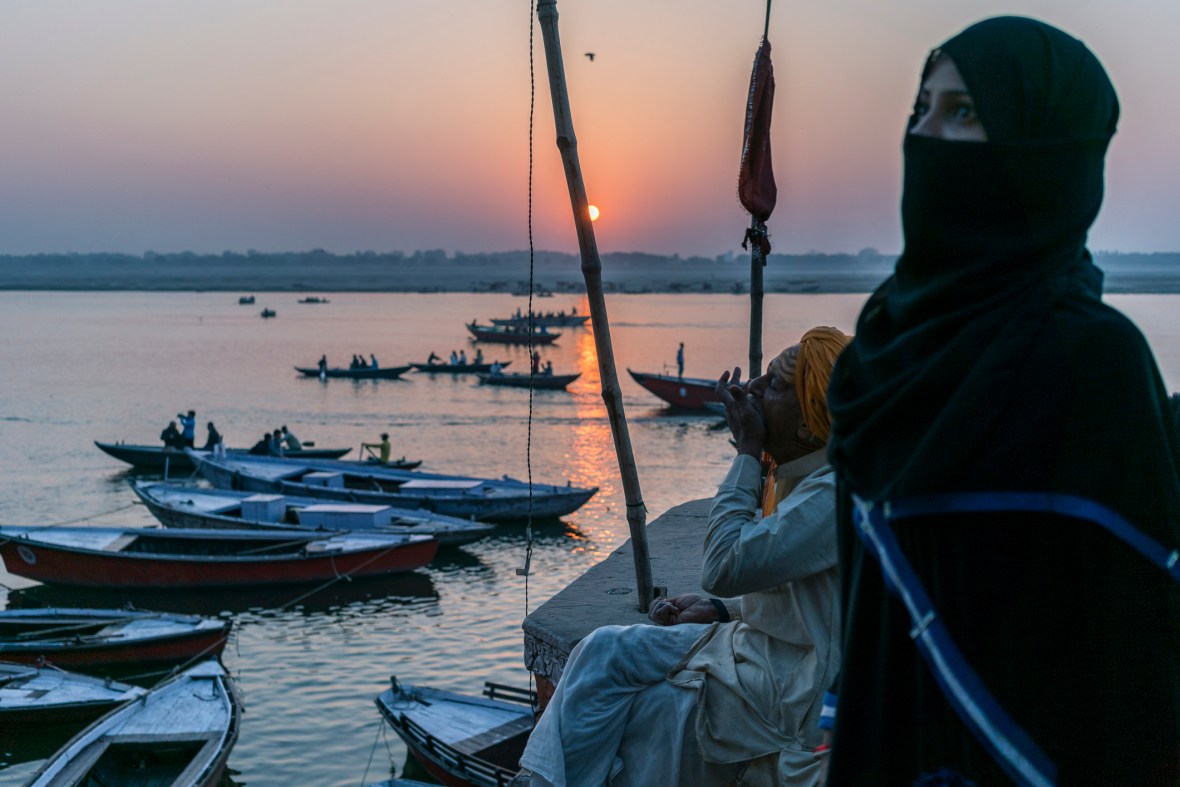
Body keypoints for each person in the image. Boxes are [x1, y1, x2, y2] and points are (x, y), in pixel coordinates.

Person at [824, 18, 1180, 786]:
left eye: (963, 112)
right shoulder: (877, 356)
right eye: (921, 107)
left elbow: (1141, 658)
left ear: (1045, 154)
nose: (924, 134)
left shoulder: (1092, 363)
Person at [519, 328, 852, 787]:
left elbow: (723, 566)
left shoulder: (831, 495)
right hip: (758, 648)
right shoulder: (805, 478)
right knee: (603, 648)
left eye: (773, 385)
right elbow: (809, 601)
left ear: (806, 427)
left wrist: (747, 452)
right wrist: (721, 610)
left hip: (790, 682)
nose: (752, 388)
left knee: (648, 701)